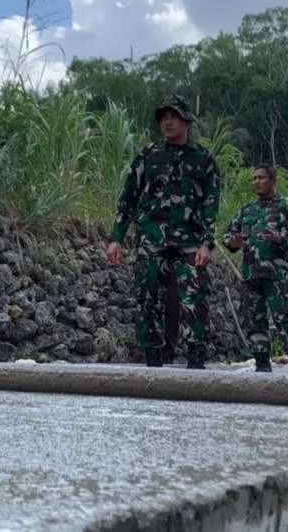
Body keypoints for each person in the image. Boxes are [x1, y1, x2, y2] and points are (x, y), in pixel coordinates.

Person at [107, 94, 222, 370]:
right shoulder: (147, 155)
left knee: (195, 298)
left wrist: (207, 244)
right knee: (147, 298)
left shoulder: (203, 159)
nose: (167, 121)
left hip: (190, 241)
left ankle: (196, 358)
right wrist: (116, 237)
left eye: (173, 116)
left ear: (186, 121)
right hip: (152, 239)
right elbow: (129, 197)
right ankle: (153, 359)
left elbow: (210, 205)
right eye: (163, 117)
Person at [223, 164, 288, 374]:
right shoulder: (247, 209)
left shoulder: (287, 204)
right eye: (254, 178)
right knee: (254, 320)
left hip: (276, 275)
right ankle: (262, 366)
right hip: (251, 275)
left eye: (261, 178)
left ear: (273, 181)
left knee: (285, 318)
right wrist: (232, 243)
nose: (256, 182)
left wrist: (283, 237)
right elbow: (228, 234)